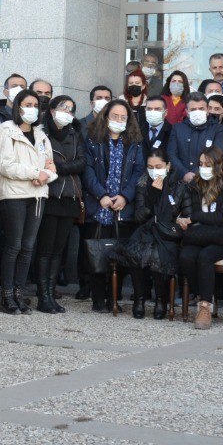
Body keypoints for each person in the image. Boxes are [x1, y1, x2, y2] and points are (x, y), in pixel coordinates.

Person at [0, 89, 52, 314]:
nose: (32, 109)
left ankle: (19, 293)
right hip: (15, 194)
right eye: (28, 104)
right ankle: (6, 296)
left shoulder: (40, 134)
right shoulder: (7, 131)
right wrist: (36, 173)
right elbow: (6, 166)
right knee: (13, 246)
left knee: (28, 247)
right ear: (18, 106)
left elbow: (51, 166)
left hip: (37, 195)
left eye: (36, 105)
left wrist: (46, 175)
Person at [82, 98, 143, 312]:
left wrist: (125, 196)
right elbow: (87, 169)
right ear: (106, 117)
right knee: (97, 254)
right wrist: (101, 195)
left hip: (123, 208)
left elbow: (139, 171)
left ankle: (114, 298)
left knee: (120, 255)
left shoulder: (134, 142)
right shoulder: (92, 139)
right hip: (98, 207)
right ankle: (98, 300)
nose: (119, 120)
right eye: (115, 116)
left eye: (123, 117)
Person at [176, 147, 223, 329]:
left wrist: (196, 217)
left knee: (206, 256)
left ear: (218, 166)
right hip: (201, 235)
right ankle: (204, 294)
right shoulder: (195, 186)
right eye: (200, 164)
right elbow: (187, 210)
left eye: (208, 164)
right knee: (186, 256)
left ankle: (204, 307)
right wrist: (183, 219)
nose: (203, 168)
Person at [34, 96, 85, 313]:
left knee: (58, 250)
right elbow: (41, 161)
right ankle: (42, 295)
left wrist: (60, 168)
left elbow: (82, 162)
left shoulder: (75, 134)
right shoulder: (41, 132)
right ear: (52, 110)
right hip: (49, 194)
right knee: (45, 249)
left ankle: (51, 293)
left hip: (70, 196)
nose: (67, 112)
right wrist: (60, 167)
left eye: (71, 109)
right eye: (63, 107)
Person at [122, 153, 179, 320]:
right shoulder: (142, 183)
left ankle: (161, 300)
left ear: (168, 166)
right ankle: (139, 299)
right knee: (136, 250)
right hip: (146, 230)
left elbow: (183, 213)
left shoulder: (178, 185)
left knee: (158, 253)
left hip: (168, 232)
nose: (154, 171)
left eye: (158, 167)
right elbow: (139, 216)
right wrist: (152, 195)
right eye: (150, 168)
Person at [140, 95, 172, 161]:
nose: (152, 112)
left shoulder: (172, 132)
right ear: (145, 111)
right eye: (149, 109)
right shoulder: (138, 130)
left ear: (165, 112)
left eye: (157, 109)